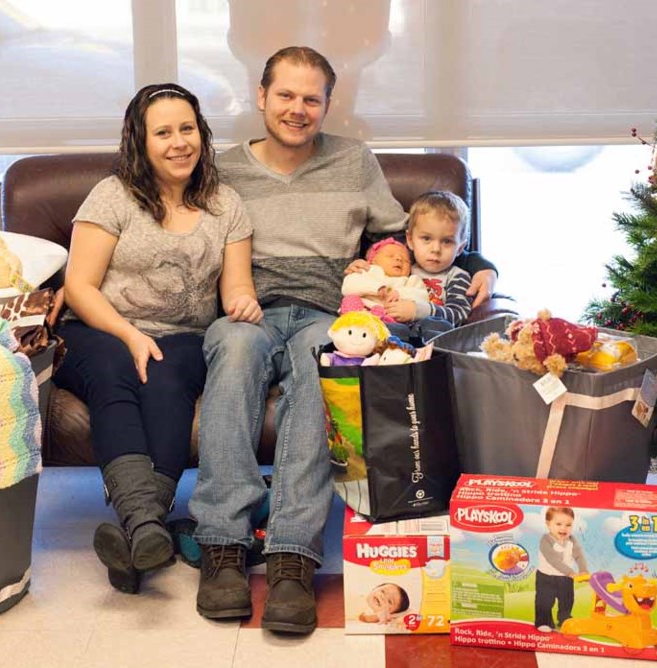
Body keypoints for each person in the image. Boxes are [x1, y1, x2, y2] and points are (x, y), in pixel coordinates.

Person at [188, 45, 498, 634]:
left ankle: (292, 556)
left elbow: (408, 238)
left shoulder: (356, 162)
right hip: (245, 310)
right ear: (261, 96)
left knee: (319, 368)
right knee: (231, 353)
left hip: (328, 315)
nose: (297, 109)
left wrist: (480, 260)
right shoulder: (221, 170)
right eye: (285, 95)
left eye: (312, 98)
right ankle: (223, 543)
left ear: (328, 106)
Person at [53, 83, 262, 595]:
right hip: (98, 327)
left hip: (186, 335)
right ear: (140, 142)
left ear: (202, 133)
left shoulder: (226, 204)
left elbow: (237, 286)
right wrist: (128, 334)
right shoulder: (113, 196)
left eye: (187, 129)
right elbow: (78, 287)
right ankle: (146, 521)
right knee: (114, 368)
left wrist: (243, 303)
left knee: (168, 383)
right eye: (162, 132)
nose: (178, 143)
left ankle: (140, 533)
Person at [346, 190, 474, 340]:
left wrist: (417, 311)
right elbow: (375, 278)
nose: (436, 249)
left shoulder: (457, 277)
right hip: (393, 331)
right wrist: (361, 267)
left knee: (437, 326)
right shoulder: (402, 267)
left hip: (431, 337)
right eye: (426, 238)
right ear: (410, 240)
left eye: (447, 241)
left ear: (460, 247)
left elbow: (458, 315)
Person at [339, 238, 429, 322]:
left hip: (392, 318)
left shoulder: (411, 280)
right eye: (390, 256)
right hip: (363, 312)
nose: (399, 259)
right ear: (372, 260)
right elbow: (348, 286)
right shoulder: (369, 270)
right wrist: (376, 288)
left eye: (405, 260)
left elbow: (423, 298)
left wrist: (400, 293)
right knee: (350, 300)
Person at [535, 507, 589, 632]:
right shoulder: (545, 540)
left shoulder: (572, 540)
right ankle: (543, 621)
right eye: (558, 524)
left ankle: (565, 619)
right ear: (548, 524)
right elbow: (553, 560)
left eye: (568, 525)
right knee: (544, 600)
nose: (563, 528)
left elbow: (579, 555)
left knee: (567, 599)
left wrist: (583, 570)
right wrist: (570, 572)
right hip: (546, 577)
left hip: (565, 578)